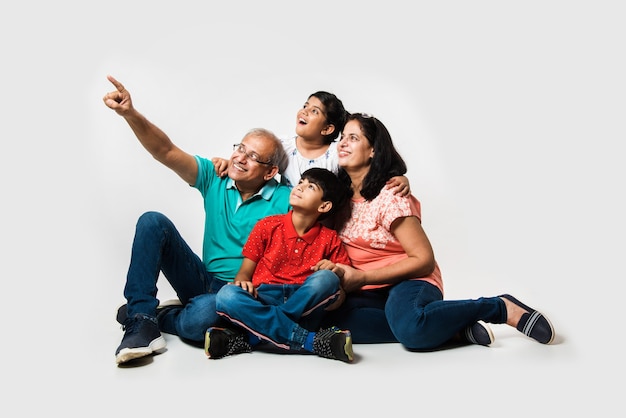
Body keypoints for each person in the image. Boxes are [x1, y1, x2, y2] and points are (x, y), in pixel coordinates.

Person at [322, 112, 556, 350]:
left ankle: (499, 307)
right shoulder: (337, 198)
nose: (343, 142)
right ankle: (451, 329)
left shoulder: (390, 196)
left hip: (409, 281)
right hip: (368, 291)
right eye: (342, 137)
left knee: (411, 330)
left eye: (353, 138)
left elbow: (423, 260)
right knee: (324, 322)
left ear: (373, 150)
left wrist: (362, 277)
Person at [102, 75, 292, 365]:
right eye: (240, 148)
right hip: (202, 278)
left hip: (241, 293)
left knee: (199, 319)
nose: (240, 158)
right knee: (152, 221)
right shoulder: (215, 177)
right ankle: (141, 319)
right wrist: (130, 113)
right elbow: (165, 150)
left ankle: (165, 315)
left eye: (253, 156)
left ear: (270, 172)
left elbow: (326, 194)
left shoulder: (285, 198)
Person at [205, 168, 354, 363]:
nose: (299, 187)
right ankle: (310, 341)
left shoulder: (330, 238)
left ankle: (252, 337)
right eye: (300, 182)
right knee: (226, 295)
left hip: (305, 306)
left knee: (327, 278)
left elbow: (338, 297)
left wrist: (334, 271)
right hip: (263, 297)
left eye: (310, 187)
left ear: (324, 206)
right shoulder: (267, 225)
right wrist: (243, 283)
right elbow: (243, 274)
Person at [212, 91, 411, 196]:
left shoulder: (337, 153)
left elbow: (367, 169)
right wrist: (227, 163)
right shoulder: (283, 146)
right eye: (305, 105)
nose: (304, 111)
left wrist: (399, 178)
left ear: (327, 129)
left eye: (315, 111)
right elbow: (254, 159)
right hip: (289, 218)